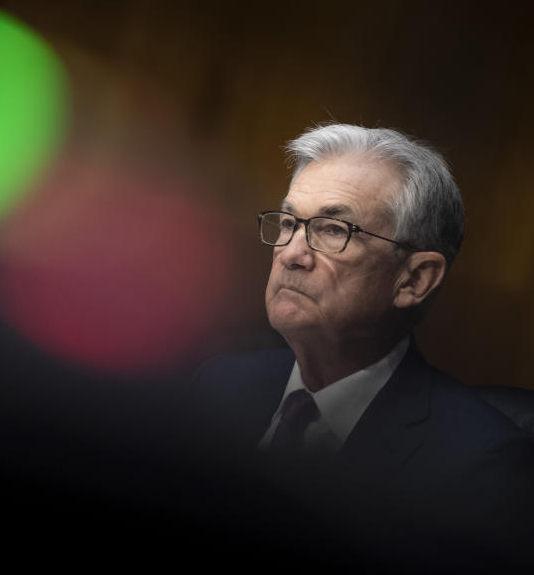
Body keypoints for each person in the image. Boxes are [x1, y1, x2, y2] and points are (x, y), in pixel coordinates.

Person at [191, 123, 533, 566]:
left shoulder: (479, 465)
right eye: (290, 223)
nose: (292, 253)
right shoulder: (218, 386)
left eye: (334, 230)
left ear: (414, 279)